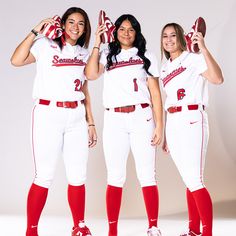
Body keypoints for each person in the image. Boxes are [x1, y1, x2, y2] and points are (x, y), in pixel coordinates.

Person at [10, 7, 96, 236]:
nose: (75, 27)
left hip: (76, 116)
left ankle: (78, 225)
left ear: (85, 28)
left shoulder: (84, 53)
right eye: (71, 22)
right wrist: (34, 31)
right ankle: (32, 230)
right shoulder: (45, 45)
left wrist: (91, 122)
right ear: (64, 24)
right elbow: (16, 60)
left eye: (80, 23)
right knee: (44, 175)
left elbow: (85, 88)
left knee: (78, 175)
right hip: (48, 114)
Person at [85, 14, 163, 236]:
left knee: (147, 174)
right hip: (114, 119)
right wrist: (98, 43)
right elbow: (90, 75)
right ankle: (112, 231)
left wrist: (159, 126)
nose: (126, 33)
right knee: (115, 176)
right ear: (115, 31)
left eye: (131, 29)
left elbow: (156, 94)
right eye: (122, 29)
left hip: (142, 117)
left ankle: (153, 226)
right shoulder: (108, 54)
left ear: (136, 32)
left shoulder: (146, 55)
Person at [159, 22, 224, 236]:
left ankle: (207, 233)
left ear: (180, 38)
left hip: (193, 117)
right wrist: (167, 134)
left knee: (195, 179)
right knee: (188, 179)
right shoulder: (165, 66)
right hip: (174, 122)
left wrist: (203, 48)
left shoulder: (194, 58)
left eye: (173, 36)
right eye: (165, 36)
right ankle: (193, 230)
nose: (169, 40)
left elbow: (217, 79)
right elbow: (168, 99)